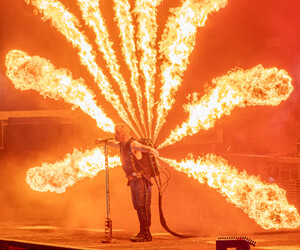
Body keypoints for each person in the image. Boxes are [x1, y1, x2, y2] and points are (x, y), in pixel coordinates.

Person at [96, 123, 159, 242]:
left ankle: (145, 234)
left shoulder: (132, 144)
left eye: (117, 133)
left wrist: (152, 150)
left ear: (124, 133)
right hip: (134, 181)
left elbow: (142, 147)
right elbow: (112, 143)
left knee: (143, 206)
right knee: (138, 206)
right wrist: (102, 141)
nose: (115, 135)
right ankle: (143, 232)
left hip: (141, 180)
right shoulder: (121, 144)